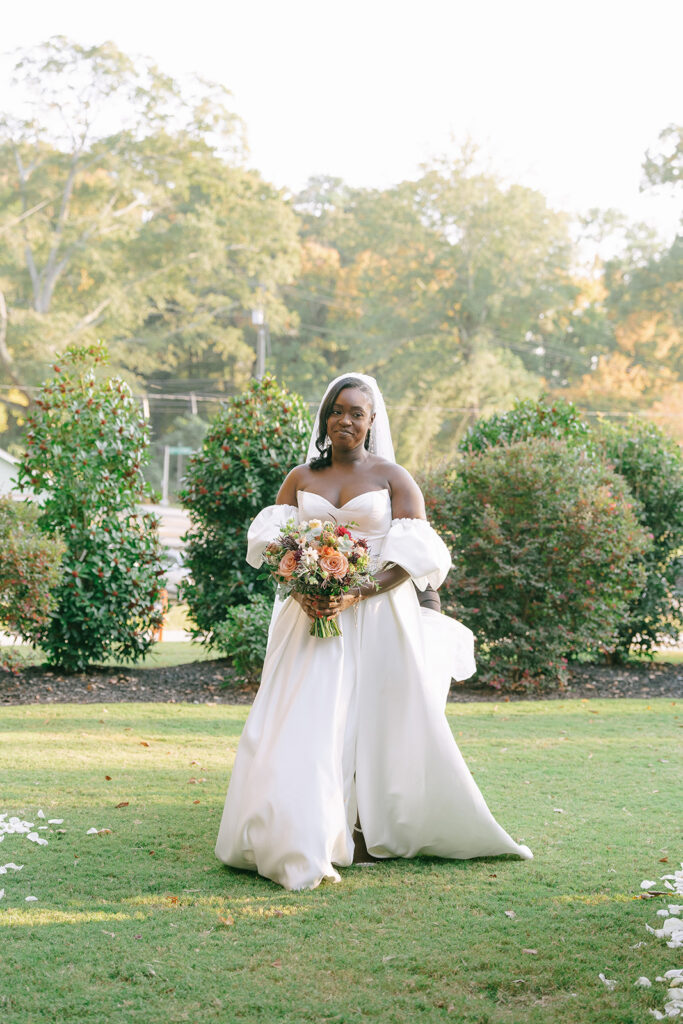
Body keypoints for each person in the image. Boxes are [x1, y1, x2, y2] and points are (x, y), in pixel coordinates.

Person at [215, 374, 533, 891]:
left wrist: (355, 592)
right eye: (337, 411)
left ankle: (367, 828)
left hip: (380, 614)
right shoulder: (300, 477)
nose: (345, 420)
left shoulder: (394, 478)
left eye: (356, 413)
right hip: (310, 615)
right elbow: (276, 547)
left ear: (371, 421)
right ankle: (303, 829)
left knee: (377, 718)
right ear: (325, 418)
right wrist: (304, 590)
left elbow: (413, 557)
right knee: (308, 717)